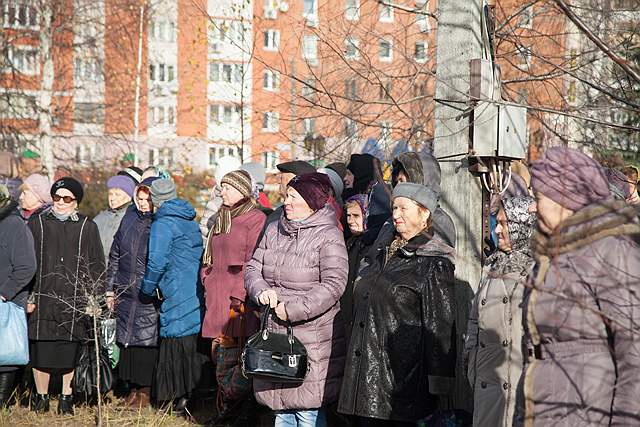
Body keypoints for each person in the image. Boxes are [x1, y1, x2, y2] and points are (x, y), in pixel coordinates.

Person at [514, 147, 640, 426]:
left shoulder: (609, 251)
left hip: (586, 413)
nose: (531, 207)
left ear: (565, 199)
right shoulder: (549, 258)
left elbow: (635, 356)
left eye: (538, 198)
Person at [339, 182, 456, 425]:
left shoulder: (433, 262)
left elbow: (440, 327)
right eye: (394, 208)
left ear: (424, 214)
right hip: (364, 377)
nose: (395, 215)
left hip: (403, 384)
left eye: (403, 208)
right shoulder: (381, 252)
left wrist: (440, 385)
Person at [245, 172, 348, 427]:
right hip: (275, 334)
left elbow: (334, 285)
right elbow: (253, 268)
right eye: (286, 196)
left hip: (311, 338)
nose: (286, 202)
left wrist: (292, 309)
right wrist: (260, 291)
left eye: (293, 197)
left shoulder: (328, 235)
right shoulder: (274, 228)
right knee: (281, 411)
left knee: (307, 412)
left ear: (310, 201)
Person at [27, 177, 105, 415]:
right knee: (41, 349)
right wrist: (28, 296)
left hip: (73, 299)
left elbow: (97, 265)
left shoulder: (87, 226)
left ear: (76, 201)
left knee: (69, 350)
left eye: (67, 198)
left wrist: (95, 298)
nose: (60, 202)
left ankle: (66, 397)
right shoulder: (37, 223)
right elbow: (27, 262)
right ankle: (41, 397)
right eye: (57, 197)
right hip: (43, 296)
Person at [465, 196, 536, 427]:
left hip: (520, 381)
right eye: (498, 223)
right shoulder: (492, 265)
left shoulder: (536, 269)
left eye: (504, 224)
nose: (497, 230)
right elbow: (474, 318)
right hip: (488, 381)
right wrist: (471, 360)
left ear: (522, 225)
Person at [201, 170, 266, 416]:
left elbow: (253, 261)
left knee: (236, 356)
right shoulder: (222, 217)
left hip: (238, 302)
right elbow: (209, 254)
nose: (222, 192)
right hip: (216, 295)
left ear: (241, 190)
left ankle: (238, 411)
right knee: (218, 354)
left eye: (227, 187)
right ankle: (225, 409)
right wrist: (206, 276)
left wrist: (240, 293)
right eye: (221, 187)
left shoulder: (255, 218)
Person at [139, 179, 204, 417]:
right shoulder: (189, 220)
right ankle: (191, 393)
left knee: (174, 336)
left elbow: (157, 261)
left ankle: (176, 397)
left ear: (156, 200)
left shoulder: (163, 224)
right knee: (189, 337)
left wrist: (146, 289)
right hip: (193, 286)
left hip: (174, 286)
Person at [105, 176, 160, 408]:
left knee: (146, 342)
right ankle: (133, 390)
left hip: (148, 293)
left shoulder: (160, 222)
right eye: (140, 199)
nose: (143, 204)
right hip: (126, 290)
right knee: (127, 343)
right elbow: (115, 254)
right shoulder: (129, 217)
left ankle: (145, 391)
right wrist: (110, 289)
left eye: (148, 199)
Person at [0, 185, 37, 408]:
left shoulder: (14, 225)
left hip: (7, 301)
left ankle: (3, 401)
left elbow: (26, 266)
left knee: (6, 353)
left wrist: (4, 293)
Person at [341, 194, 369, 339]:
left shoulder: (373, 246)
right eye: (348, 216)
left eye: (356, 216)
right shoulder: (349, 242)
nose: (350, 221)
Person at [94, 174, 135, 263]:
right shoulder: (99, 219)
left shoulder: (133, 219)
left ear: (129, 196)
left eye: (117, 194)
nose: (112, 198)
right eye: (110, 194)